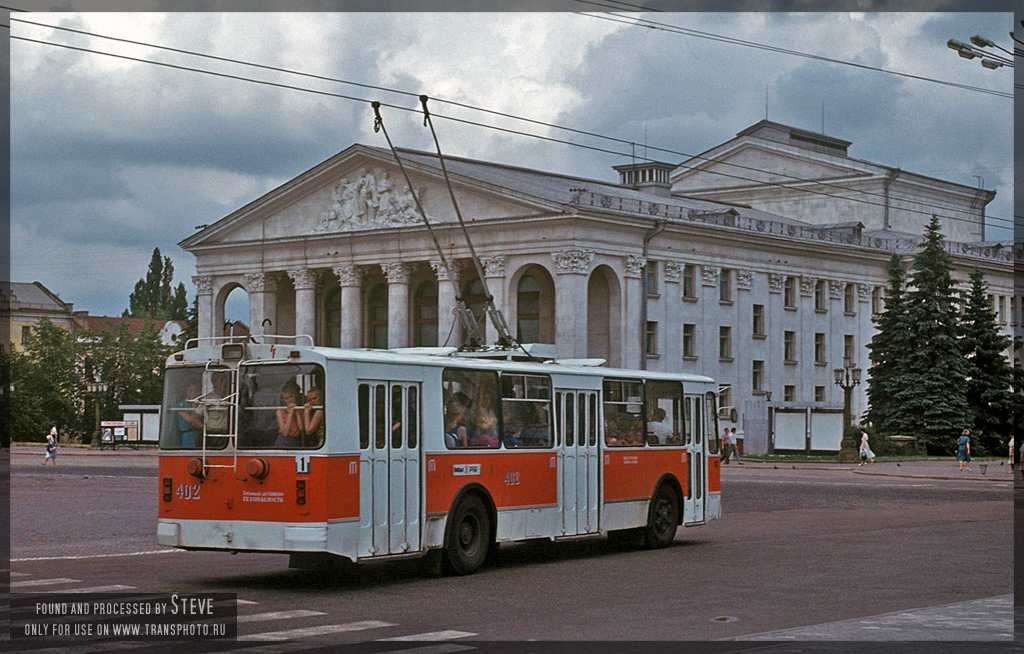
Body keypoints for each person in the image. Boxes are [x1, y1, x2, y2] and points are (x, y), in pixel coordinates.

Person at [274, 381, 305, 448]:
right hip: (284, 441)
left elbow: (301, 428)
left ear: (295, 396)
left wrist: (297, 413)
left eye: (291, 397)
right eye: (286, 398)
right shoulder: (279, 412)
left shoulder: (301, 410)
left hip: (297, 440)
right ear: (283, 400)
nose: (289, 400)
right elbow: (284, 433)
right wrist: (290, 413)